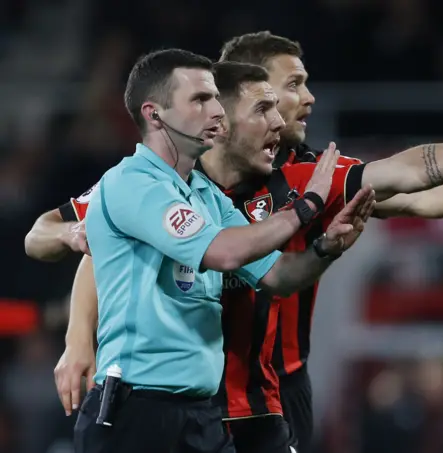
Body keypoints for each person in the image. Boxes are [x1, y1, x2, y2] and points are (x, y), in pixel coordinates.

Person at [217, 31, 443, 453]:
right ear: (251, 94)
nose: (310, 97)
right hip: (197, 387)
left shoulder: (313, 176)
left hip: (280, 388)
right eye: (293, 84)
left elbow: (412, 189)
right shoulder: (186, 183)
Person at [72, 49, 375, 453]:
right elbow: (224, 252)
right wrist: (307, 207)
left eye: (215, 97)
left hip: (201, 418)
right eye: (199, 100)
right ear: (154, 113)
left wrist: (325, 249)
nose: (217, 110)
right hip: (136, 415)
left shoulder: (207, 197)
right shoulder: (132, 183)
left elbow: (276, 276)